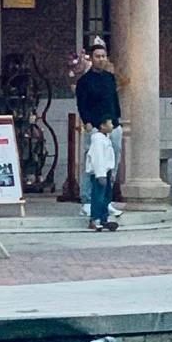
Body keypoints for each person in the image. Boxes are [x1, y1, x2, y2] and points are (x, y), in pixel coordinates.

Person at [73, 40, 123, 220]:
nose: (101, 59)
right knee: (93, 164)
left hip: (113, 125)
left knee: (111, 163)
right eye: (97, 56)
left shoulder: (110, 78)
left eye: (103, 56)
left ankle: (106, 201)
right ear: (91, 58)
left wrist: (117, 120)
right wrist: (87, 122)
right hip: (94, 127)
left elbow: (114, 100)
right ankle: (88, 200)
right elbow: (82, 104)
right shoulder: (84, 81)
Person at [84, 121, 119, 233]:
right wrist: (100, 174)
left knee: (106, 197)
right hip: (100, 172)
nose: (112, 126)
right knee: (98, 197)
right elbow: (98, 158)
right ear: (102, 126)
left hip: (106, 171)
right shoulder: (98, 140)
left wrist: (111, 172)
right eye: (110, 123)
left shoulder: (105, 138)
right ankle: (95, 219)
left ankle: (104, 218)